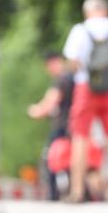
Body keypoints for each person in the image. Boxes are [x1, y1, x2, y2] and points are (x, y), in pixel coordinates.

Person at [63, 0, 108, 202]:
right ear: (107, 10)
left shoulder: (80, 30)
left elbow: (73, 63)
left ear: (87, 12)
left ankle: (77, 190)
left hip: (86, 87)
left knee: (80, 137)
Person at [27, 52, 75, 200]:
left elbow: (50, 102)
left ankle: (54, 194)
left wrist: (36, 111)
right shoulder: (75, 78)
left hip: (62, 127)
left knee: (52, 158)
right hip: (76, 127)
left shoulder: (61, 80)